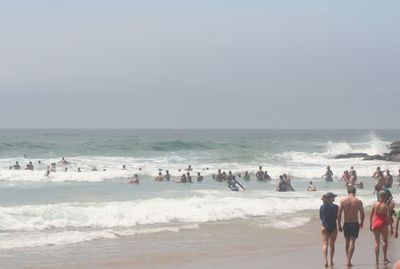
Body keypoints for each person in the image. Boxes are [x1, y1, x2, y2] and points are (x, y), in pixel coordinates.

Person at [337, 186, 365, 267]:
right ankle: (349, 260)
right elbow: (362, 213)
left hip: (346, 223)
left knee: (347, 242)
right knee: (352, 242)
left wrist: (338, 224)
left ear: (348, 192)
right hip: (354, 223)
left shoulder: (343, 201)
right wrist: (362, 222)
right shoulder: (358, 201)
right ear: (355, 192)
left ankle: (347, 259)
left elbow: (339, 214)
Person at [370, 191, 393, 264]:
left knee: (377, 242)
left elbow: (371, 215)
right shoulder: (386, 205)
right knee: (385, 241)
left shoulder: (374, 204)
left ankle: (376, 260)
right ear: (385, 197)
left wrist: (371, 224)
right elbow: (389, 217)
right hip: (383, 223)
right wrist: (392, 228)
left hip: (375, 223)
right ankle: (385, 258)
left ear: (378, 196)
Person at [319, 192, 339, 267]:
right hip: (333, 227)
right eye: (333, 197)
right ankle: (331, 260)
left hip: (324, 226)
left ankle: (325, 260)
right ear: (330, 198)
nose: (334, 198)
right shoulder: (336, 207)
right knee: (332, 245)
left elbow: (321, 217)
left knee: (325, 244)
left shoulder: (321, 207)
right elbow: (337, 217)